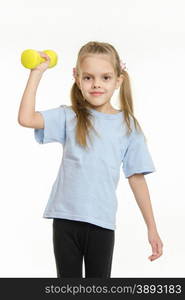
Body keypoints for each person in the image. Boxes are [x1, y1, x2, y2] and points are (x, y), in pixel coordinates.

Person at [18, 41, 163, 278]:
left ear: (118, 80)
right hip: (65, 219)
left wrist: (152, 228)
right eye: (88, 77)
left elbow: (136, 178)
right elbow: (26, 118)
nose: (96, 84)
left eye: (105, 77)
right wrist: (37, 73)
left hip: (101, 224)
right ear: (77, 77)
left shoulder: (128, 126)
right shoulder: (69, 116)